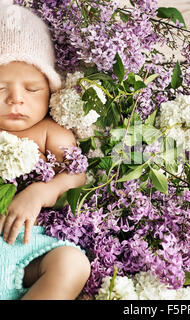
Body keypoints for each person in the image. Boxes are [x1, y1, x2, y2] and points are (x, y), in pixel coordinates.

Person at [0, 1, 91, 300]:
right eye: (0, 89)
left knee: (72, 263)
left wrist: (39, 193)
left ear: (51, 89)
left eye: (32, 89)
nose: (16, 100)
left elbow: (78, 176)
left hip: (30, 251)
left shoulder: (50, 131)